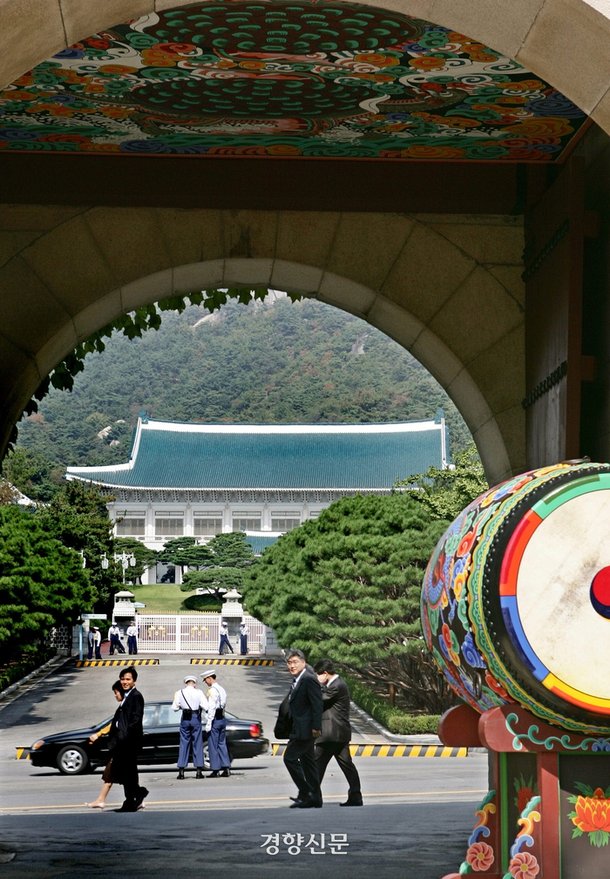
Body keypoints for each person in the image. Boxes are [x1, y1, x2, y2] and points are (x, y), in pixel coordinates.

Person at [313, 658, 363, 807]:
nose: (317, 678)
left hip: (331, 735)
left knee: (316, 765)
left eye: (318, 675)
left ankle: (313, 797)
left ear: (326, 673)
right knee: (347, 766)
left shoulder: (336, 686)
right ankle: (355, 796)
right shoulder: (335, 684)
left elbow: (319, 701)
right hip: (338, 734)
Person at [281, 648, 323, 809]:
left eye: (295, 662)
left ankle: (307, 792)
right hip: (298, 728)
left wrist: (316, 726)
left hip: (306, 729)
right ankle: (316, 799)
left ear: (303, 663)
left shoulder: (308, 679)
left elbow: (317, 704)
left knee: (289, 758)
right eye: (289, 663)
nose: (292, 666)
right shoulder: (298, 679)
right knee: (308, 764)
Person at [112, 666, 148, 812]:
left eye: (128, 679)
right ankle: (133, 797)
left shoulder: (136, 696)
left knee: (129, 772)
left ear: (134, 681)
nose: (125, 682)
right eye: (122, 679)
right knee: (127, 772)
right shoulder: (126, 696)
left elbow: (136, 719)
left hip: (129, 741)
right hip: (122, 741)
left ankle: (134, 797)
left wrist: (126, 735)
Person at [86, 680, 124, 809]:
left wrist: (98, 734)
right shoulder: (122, 707)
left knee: (113, 773)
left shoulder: (125, 707)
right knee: (114, 774)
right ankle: (101, 799)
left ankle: (101, 800)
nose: (115, 695)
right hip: (118, 746)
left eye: (116, 692)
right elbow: (112, 724)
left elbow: (114, 725)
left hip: (121, 746)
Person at [172, 674, 208, 779]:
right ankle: (198, 771)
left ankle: (181, 771)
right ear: (195, 683)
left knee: (184, 743)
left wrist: (182, 706)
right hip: (195, 718)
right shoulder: (199, 692)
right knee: (197, 743)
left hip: (185, 718)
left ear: (185, 683)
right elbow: (205, 706)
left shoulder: (179, 692)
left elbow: (174, 707)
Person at [200, 668, 231, 777]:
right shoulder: (221, 689)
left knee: (213, 745)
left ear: (209, 678)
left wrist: (209, 723)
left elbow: (212, 707)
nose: (205, 683)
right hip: (222, 718)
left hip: (215, 720)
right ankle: (226, 768)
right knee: (222, 744)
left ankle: (215, 769)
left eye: (205, 680)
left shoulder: (212, 690)